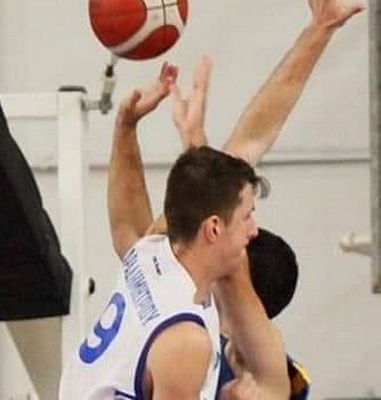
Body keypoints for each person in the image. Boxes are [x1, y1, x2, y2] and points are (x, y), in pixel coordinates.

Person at [121, 0, 362, 398]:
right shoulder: (269, 370)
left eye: (246, 221)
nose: (247, 224)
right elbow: (248, 146)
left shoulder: (193, 342)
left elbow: (248, 146)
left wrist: (134, 130)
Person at [59, 61, 268, 399]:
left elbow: (127, 221)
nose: (254, 230)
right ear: (214, 228)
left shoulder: (152, 252)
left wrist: (126, 126)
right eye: (247, 216)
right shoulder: (186, 338)